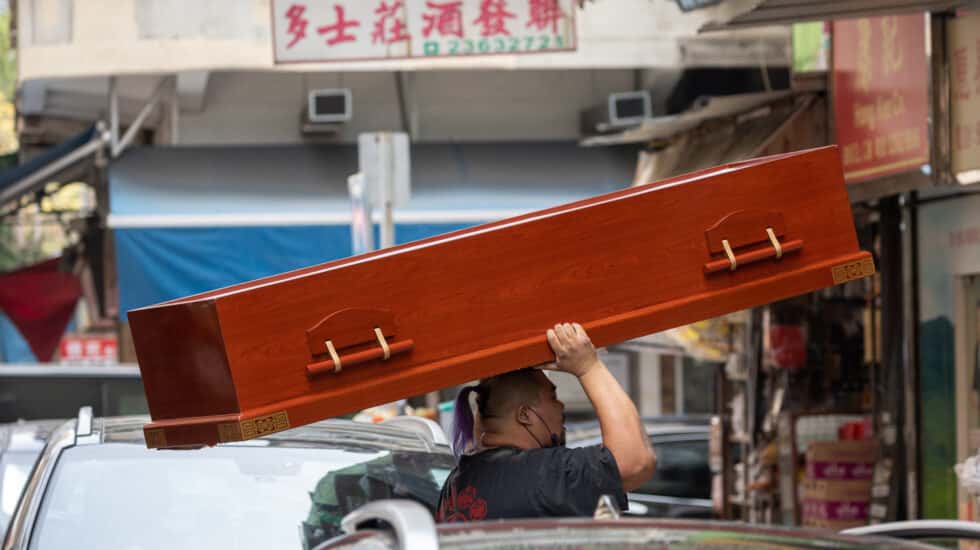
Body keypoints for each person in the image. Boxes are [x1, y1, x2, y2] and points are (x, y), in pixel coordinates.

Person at [436, 322, 656, 522]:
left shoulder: (456, 482)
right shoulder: (540, 474)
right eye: (552, 397)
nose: (561, 406)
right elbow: (635, 462)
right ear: (525, 416)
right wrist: (589, 367)